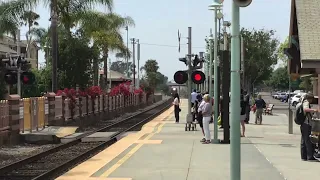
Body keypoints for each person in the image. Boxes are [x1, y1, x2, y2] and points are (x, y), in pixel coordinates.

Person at [300, 93, 317, 161]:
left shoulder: (302, 101)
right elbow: (306, 109)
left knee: (304, 140)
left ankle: (304, 156)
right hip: (306, 123)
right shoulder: (306, 102)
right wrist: (314, 110)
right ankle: (310, 156)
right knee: (308, 140)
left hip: (303, 124)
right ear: (310, 98)